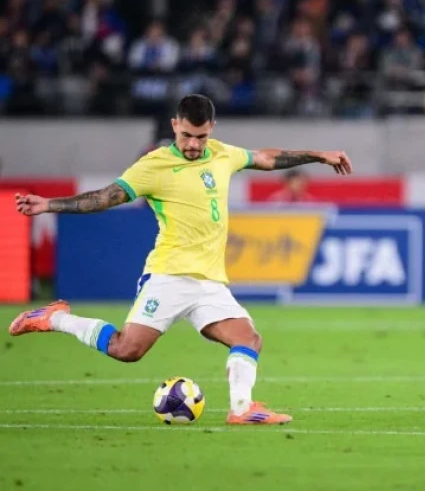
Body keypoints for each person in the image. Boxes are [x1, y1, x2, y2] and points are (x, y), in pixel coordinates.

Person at [10, 94, 353, 426]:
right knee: (127, 350)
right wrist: (49, 204)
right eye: (186, 135)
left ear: (211, 129)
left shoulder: (221, 153)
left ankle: (242, 409)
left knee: (248, 338)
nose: (192, 144)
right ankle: (56, 318)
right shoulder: (154, 165)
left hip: (209, 282)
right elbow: (105, 197)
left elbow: (266, 157)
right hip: (169, 276)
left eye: (200, 137)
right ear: (175, 125)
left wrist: (319, 156)